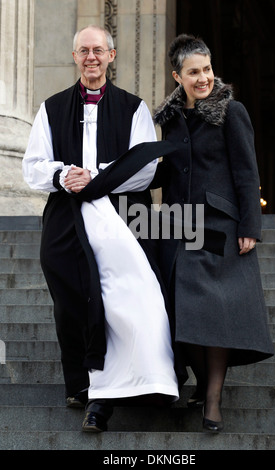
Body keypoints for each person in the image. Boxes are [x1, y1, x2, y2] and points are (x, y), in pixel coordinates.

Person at [22, 25, 181, 432]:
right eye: (83, 51)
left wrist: (95, 177)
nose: (91, 57)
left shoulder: (133, 108)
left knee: (131, 295)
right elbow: (33, 165)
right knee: (72, 293)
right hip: (68, 217)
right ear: (74, 57)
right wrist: (64, 175)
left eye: (98, 50)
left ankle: (140, 382)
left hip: (123, 215)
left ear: (112, 56)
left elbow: (145, 168)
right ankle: (81, 382)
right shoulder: (51, 108)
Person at [152, 34, 274, 432]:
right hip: (178, 227)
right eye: (193, 72)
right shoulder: (170, 120)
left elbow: (246, 171)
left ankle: (213, 402)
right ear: (177, 76)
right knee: (187, 312)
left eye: (207, 69)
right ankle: (201, 381)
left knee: (217, 315)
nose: (203, 77)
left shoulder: (231, 111)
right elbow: (165, 173)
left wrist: (250, 226)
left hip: (220, 227)